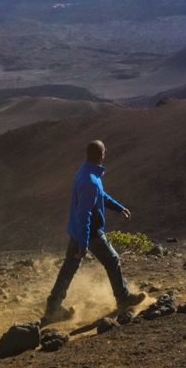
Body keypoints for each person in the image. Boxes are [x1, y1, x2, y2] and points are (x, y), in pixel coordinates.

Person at [40, 139, 144, 325]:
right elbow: (85, 214)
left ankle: (53, 306)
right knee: (112, 260)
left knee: (69, 268)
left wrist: (119, 207)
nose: (106, 154)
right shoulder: (91, 180)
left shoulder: (86, 172)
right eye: (104, 152)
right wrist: (84, 243)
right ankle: (123, 297)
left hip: (76, 230)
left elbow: (100, 197)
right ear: (101, 155)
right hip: (91, 232)